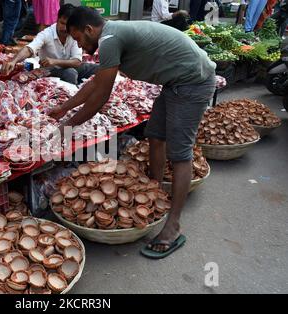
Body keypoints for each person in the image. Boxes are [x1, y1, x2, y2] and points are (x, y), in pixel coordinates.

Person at [48, 7, 217, 259]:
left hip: (193, 82)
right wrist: (64, 108)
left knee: (180, 154)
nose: (81, 47)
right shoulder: (110, 36)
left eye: (80, 39)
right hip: (174, 84)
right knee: (156, 136)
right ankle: (155, 192)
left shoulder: (109, 40)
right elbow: (95, 83)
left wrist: (68, 126)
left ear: (89, 30)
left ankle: (173, 226)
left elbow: (101, 96)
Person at [1, 4, 98, 85]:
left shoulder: (73, 34)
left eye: (67, 25)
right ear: (57, 20)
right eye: (62, 23)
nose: (64, 28)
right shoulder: (47, 33)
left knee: (95, 68)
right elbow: (30, 48)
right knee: (70, 73)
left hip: (70, 67)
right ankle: (70, 99)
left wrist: (55, 61)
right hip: (50, 71)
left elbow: (77, 61)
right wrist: (13, 61)